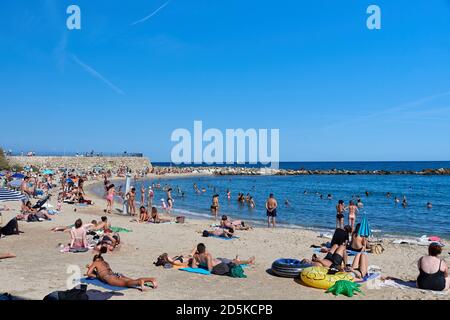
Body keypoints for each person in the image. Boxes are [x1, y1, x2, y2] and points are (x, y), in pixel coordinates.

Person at [86, 249, 157, 291]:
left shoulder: (95, 262)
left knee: (125, 284)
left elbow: (89, 273)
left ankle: (140, 282)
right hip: (116, 275)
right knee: (132, 281)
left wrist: (94, 273)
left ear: (95, 260)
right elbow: (102, 271)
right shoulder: (105, 262)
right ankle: (151, 279)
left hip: (109, 277)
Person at [189, 243, 255, 274]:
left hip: (218, 260)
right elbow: (210, 269)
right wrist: (205, 266)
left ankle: (237, 259)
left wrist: (200, 265)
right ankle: (248, 261)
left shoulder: (195, 256)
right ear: (204, 249)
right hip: (219, 263)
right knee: (234, 262)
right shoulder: (207, 256)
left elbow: (193, 266)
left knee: (230, 260)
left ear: (198, 250)